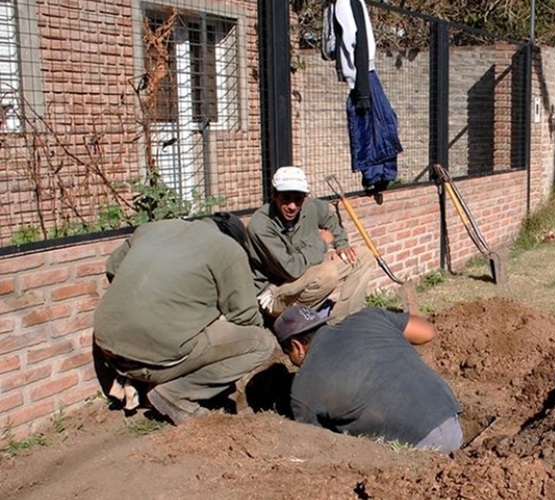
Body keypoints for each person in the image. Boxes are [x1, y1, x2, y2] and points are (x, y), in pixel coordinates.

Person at [93, 212, 276, 425]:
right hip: (153, 361)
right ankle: (175, 394)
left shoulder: (154, 227)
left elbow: (113, 268)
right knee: (262, 342)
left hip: (108, 348)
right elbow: (245, 317)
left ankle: (138, 380)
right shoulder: (228, 249)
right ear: (235, 238)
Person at [273, 305, 464, 452]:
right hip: (450, 417)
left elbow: (317, 444)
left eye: (286, 352)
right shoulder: (369, 317)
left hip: (417, 447)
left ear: (296, 346)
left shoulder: (302, 390)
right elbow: (427, 332)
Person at [245, 166, 374, 324]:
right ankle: (291, 325)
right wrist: (321, 243)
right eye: (285, 198)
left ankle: (343, 321)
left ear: (305, 197)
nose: (292, 206)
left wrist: (341, 244)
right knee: (328, 273)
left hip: (306, 274)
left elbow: (330, 222)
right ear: (274, 195)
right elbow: (291, 269)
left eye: (297, 199)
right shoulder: (261, 225)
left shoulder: (311, 206)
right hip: (275, 292)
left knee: (362, 256)